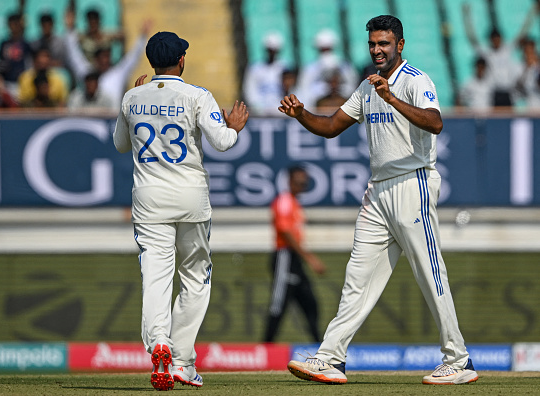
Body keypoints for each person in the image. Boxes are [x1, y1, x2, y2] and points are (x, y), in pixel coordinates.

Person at [281, 15, 478, 386]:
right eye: (373, 44)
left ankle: (459, 359)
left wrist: (392, 98)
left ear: (399, 45)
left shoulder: (416, 80)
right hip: (378, 190)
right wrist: (301, 114)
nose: (377, 50)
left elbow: (435, 123)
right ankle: (331, 358)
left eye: (384, 43)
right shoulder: (367, 86)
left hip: (412, 183)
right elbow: (331, 127)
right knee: (358, 278)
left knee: (428, 271)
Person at [113, 31, 249, 391]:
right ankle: (182, 362)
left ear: (151, 62)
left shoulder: (133, 96)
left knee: (156, 275)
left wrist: (135, 103)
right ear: (182, 60)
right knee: (195, 277)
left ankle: (158, 343)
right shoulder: (196, 95)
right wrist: (233, 128)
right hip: (190, 197)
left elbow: (120, 144)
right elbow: (222, 143)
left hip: (148, 199)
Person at [264, 165, 326, 343]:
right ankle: (266, 347)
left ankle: (319, 347)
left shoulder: (294, 203)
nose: (301, 185)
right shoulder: (284, 201)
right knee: (278, 305)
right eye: (298, 181)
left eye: (304, 182)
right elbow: (286, 232)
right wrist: (311, 259)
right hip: (285, 257)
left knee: (311, 303)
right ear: (289, 181)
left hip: (295, 260)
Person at [64, 10, 150, 108]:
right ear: (96, 60)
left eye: (106, 57)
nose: (104, 61)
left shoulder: (117, 73)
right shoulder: (86, 71)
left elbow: (132, 58)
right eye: (101, 58)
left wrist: (143, 37)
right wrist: (70, 30)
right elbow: (74, 55)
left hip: (112, 121)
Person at [462, 2, 539, 106]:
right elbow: (472, 39)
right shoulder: (487, 53)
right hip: (494, 91)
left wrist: (532, 12)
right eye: (494, 40)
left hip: (509, 91)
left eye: (498, 39)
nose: (496, 42)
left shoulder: (507, 49)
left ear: (501, 39)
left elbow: (523, 32)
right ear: (490, 40)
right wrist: (466, 17)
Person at [297, 28, 358, 109]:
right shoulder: (310, 68)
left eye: (328, 49)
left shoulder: (344, 65)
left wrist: (338, 93)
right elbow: (304, 91)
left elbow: (352, 87)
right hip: (318, 108)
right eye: (323, 49)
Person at [242, 32, 288, 115]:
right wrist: (257, 106)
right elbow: (250, 90)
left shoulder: (285, 67)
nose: (272, 53)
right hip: (260, 112)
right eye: (270, 50)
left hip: (281, 112)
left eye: (274, 50)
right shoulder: (255, 68)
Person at [0, 12, 33, 97]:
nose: (14, 27)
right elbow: (1, 62)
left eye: (16, 24)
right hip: (6, 82)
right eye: (12, 24)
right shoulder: (4, 44)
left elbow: (30, 64)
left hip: (21, 83)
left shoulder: (26, 44)